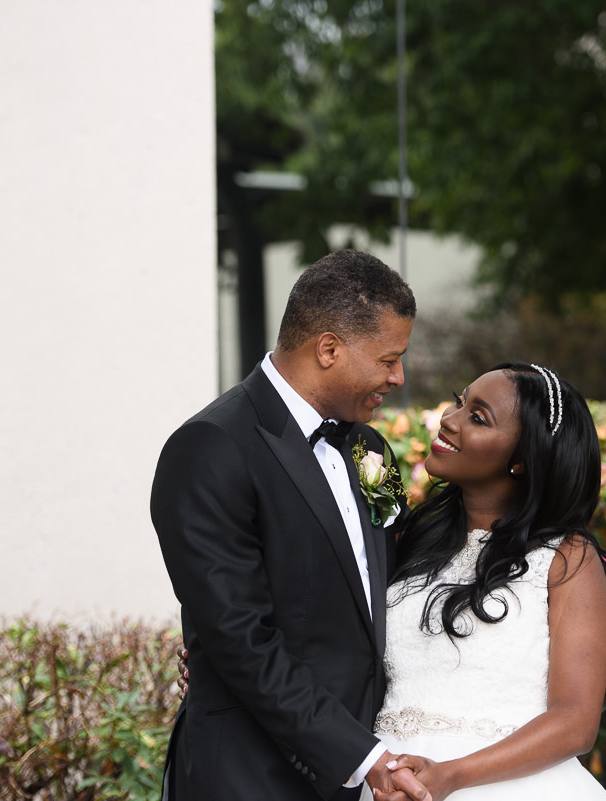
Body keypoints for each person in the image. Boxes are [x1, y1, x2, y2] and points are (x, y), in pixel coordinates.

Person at [180, 362, 606, 800]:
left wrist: (452, 775)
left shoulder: (567, 560)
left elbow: (576, 722)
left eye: (477, 417)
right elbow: (328, 618)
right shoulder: (410, 536)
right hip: (385, 781)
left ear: (525, 461)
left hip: (502, 785)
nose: (447, 420)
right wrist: (221, 664)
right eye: (458, 402)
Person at [151, 249, 429, 801]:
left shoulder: (371, 448)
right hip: (251, 774)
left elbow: (398, 580)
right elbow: (241, 641)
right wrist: (362, 756)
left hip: (362, 768)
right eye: (388, 359)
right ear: (329, 348)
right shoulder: (210, 448)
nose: (398, 377)